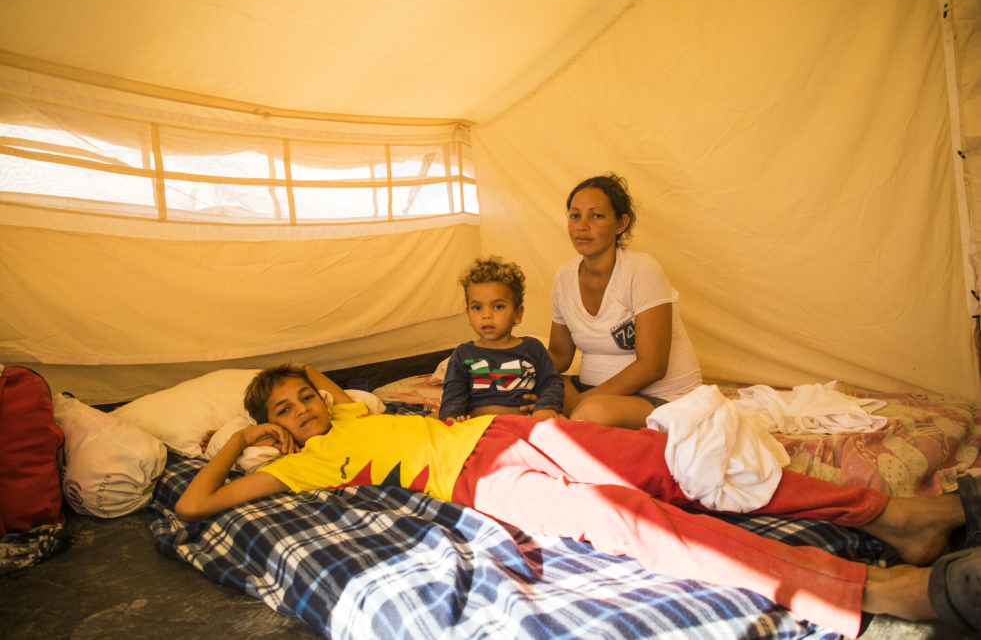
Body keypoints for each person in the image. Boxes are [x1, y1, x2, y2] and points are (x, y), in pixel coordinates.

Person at [177, 363, 981, 638]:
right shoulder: (305, 462)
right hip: (483, 483)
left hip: (513, 430)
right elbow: (193, 509)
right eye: (283, 409)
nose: (303, 410)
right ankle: (872, 589)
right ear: (270, 425)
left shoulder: (354, 407)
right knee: (634, 521)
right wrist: (239, 443)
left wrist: (314, 389)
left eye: (301, 397)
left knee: (680, 468)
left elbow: (332, 383)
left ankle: (901, 516)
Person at [547, 173, 702, 428]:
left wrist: (581, 402)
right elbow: (560, 355)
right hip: (593, 392)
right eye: (575, 215)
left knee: (590, 415)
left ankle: (584, 410)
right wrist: (517, 366)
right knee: (532, 392)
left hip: (663, 398)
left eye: (596, 215)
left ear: (621, 223)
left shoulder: (641, 270)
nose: (582, 225)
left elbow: (653, 366)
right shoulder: (564, 277)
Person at [439, 256, 564, 422]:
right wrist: (451, 418)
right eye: (477, 308)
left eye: (498, 306)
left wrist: (546, 407)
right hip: (479, 428)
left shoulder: (532, 348)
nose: (486, 315)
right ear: (468, 315)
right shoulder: (463, 354)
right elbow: (453, 395)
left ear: (517, 314)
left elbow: (551, 383)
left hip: (525, 424)